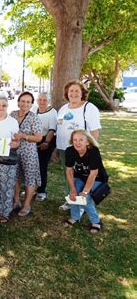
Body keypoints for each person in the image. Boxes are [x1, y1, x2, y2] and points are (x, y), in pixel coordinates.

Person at [56, 80, 101, 210]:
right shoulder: (64, 108)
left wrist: (90, 150)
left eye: (77, 91)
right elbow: (60, 127)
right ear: (66, 93)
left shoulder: (89, 108)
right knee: (68, 175)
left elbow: (94, 131)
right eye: (71, 91)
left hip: (82, 149)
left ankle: (82, 202)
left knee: (81, 177)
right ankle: (71, 199)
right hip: (65, 149)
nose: (74, 93)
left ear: (82, 93)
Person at [64, 130, 108, 233]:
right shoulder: (69, 151)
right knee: (73, 195)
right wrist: (72, 189)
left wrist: (84, 192)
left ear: (87, 142)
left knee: (85, 198)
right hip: (80, 177)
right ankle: (75, 217)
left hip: (97, 178)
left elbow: (93, 174)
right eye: (74, 140)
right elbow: (69, 171)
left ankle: (96, 221)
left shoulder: (93, 151)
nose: (77, 142)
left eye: (81, 140)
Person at [10, 92, 43, 217]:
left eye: (28, 102)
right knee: (16, 177)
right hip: (14, 151)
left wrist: (24, 136)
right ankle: (16, 200)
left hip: (28, 153)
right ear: (18, 102)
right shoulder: (12, 114)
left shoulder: (34, 117)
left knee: (29, 179)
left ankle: (26, 205)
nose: (25, 104)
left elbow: (39, 138)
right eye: (23, 101)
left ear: (31, 104)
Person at [35, 93, 57, 202]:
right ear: (37, 100)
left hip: (47, 140)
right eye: (40, 100)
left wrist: (47, 142)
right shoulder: (34, 109)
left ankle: (41, 191)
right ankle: (32, 187)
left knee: (42, 166)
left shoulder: (53, 112)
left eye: (45, 100)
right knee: (32, 165)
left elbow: (52, 129)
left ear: (48, 101)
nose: (42, 102)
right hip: (34, 139)